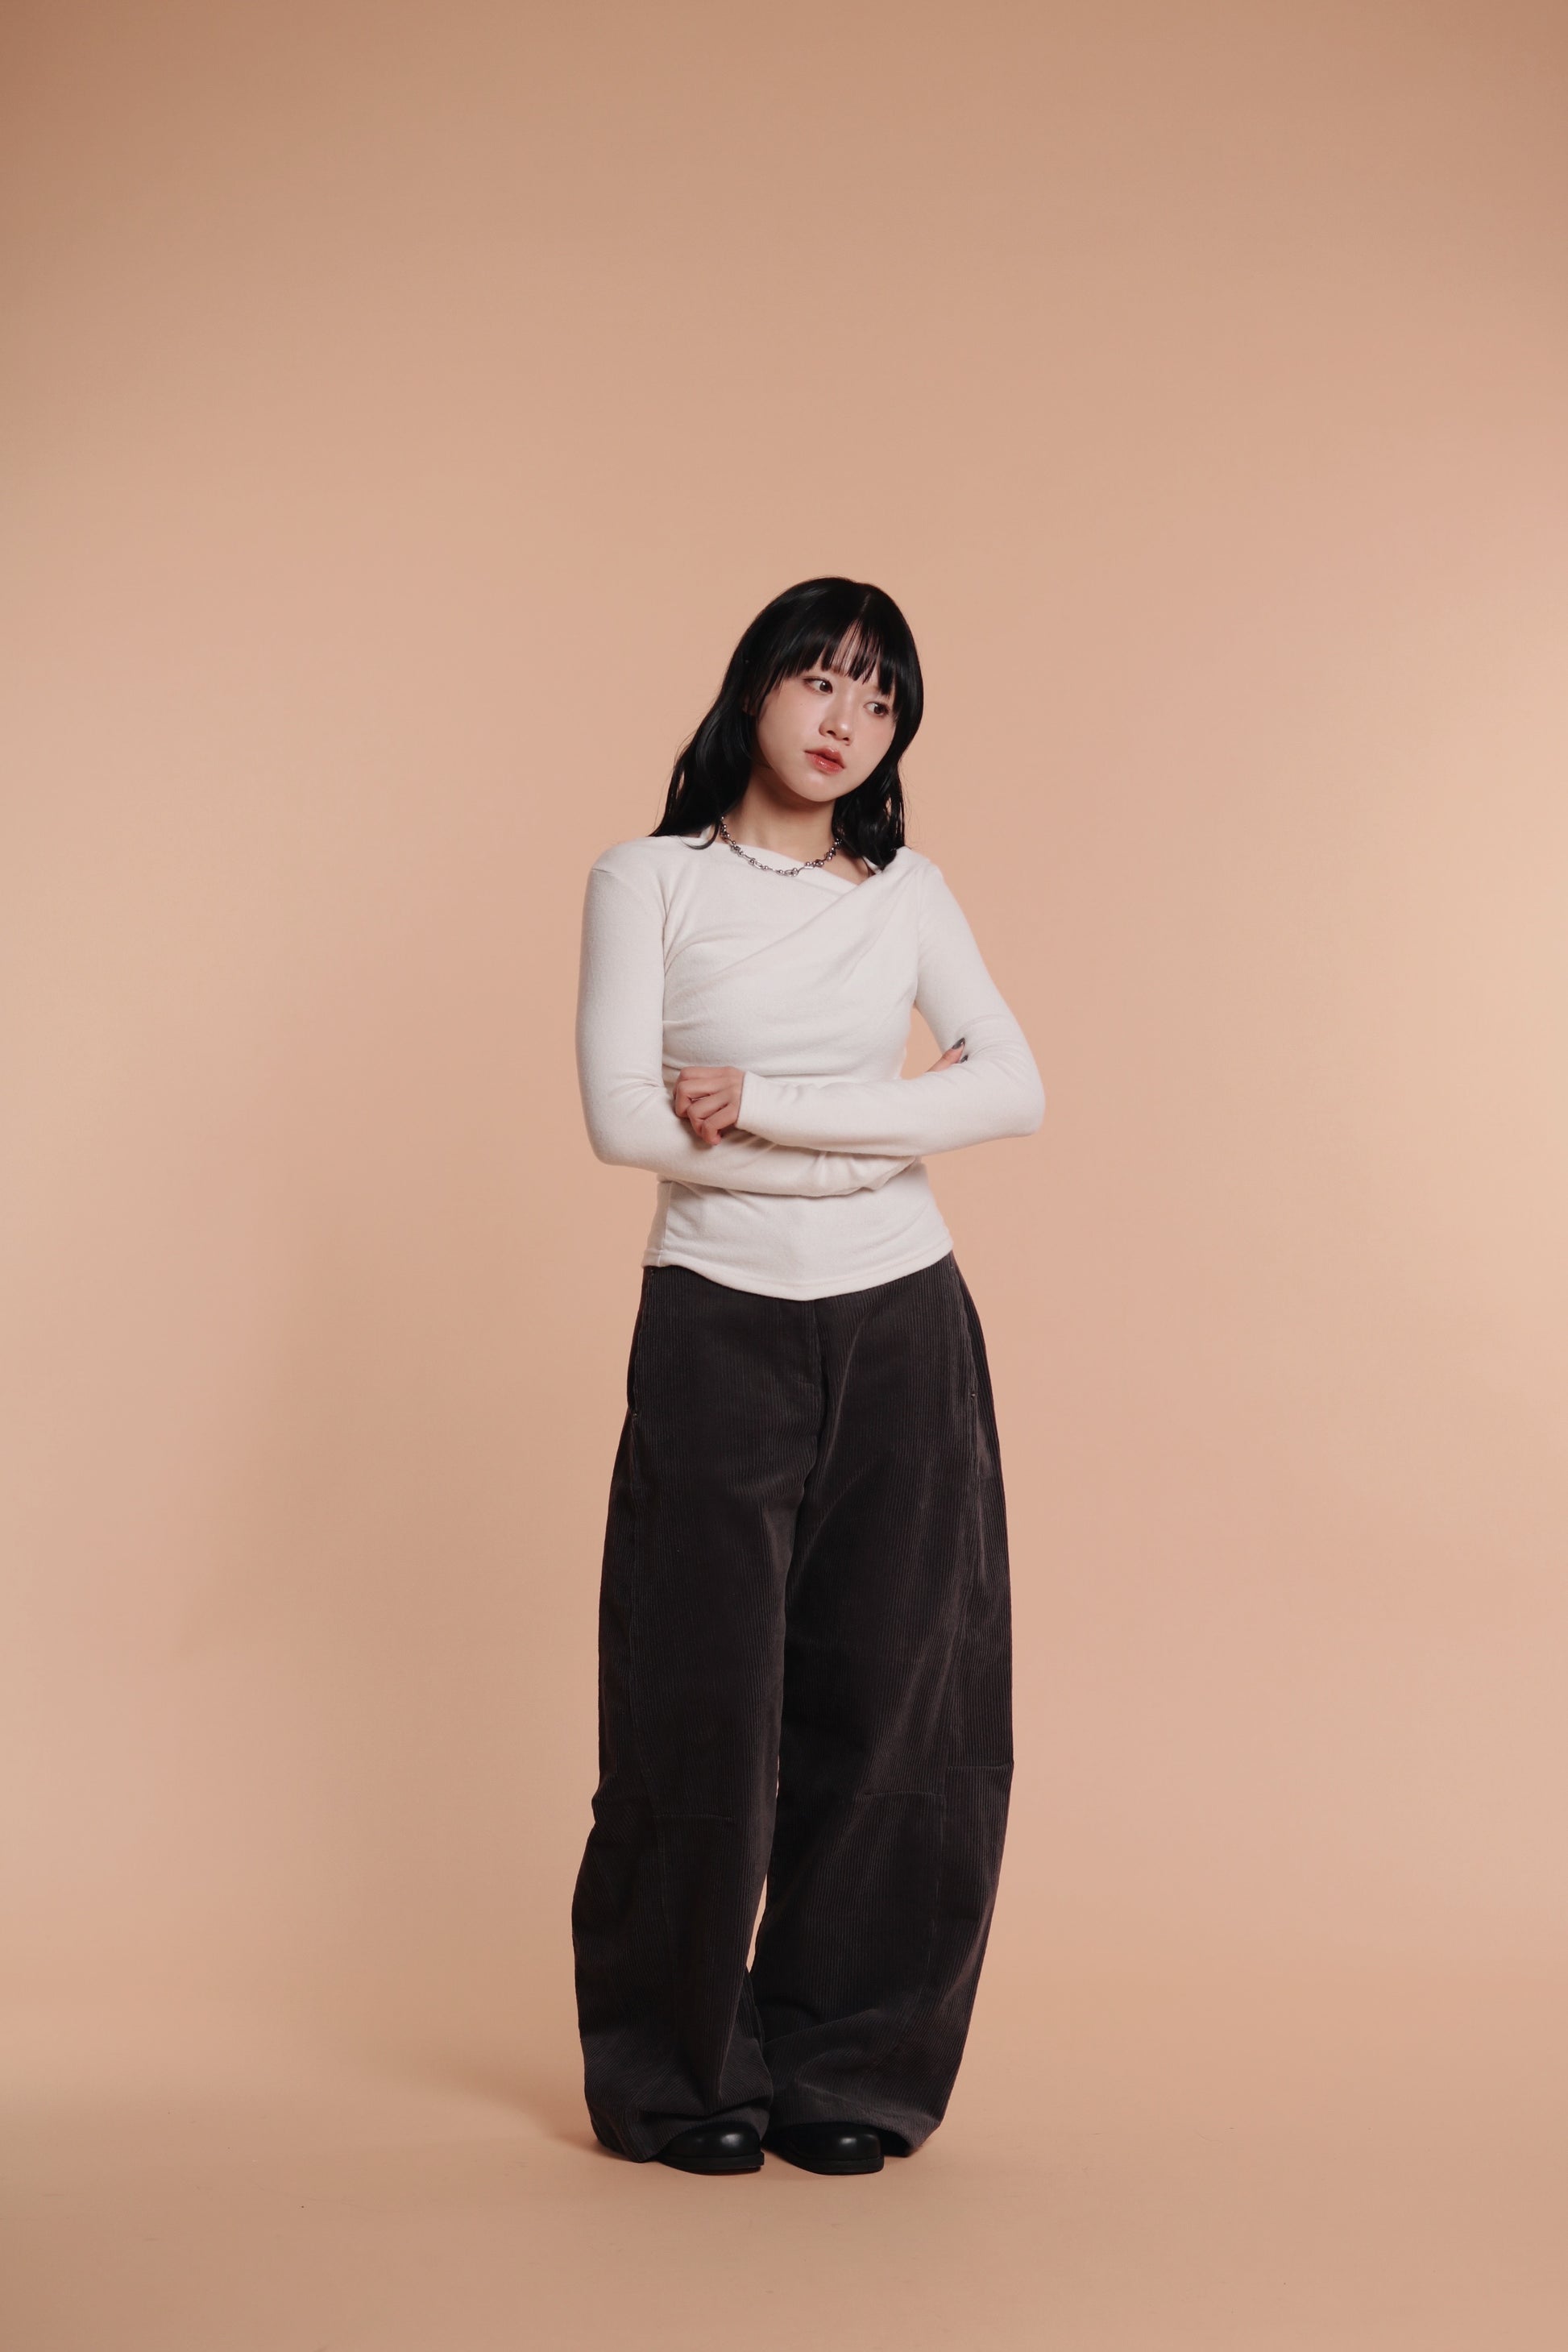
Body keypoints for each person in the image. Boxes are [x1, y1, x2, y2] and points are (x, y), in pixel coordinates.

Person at [570, 577, 1043, 2176]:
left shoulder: (906, 893)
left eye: (879, 698)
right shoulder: (648, 878)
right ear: (754, 688)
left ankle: (850, 2064)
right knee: (695, 1700)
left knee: (899, 1698)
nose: (845, 720)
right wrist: (881, 1127)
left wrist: (766, 1103)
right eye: (819, 679)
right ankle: (679, 2072)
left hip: (904, 1319)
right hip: (718, 1319)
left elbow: (1012, 1088)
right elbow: (624, 1121)